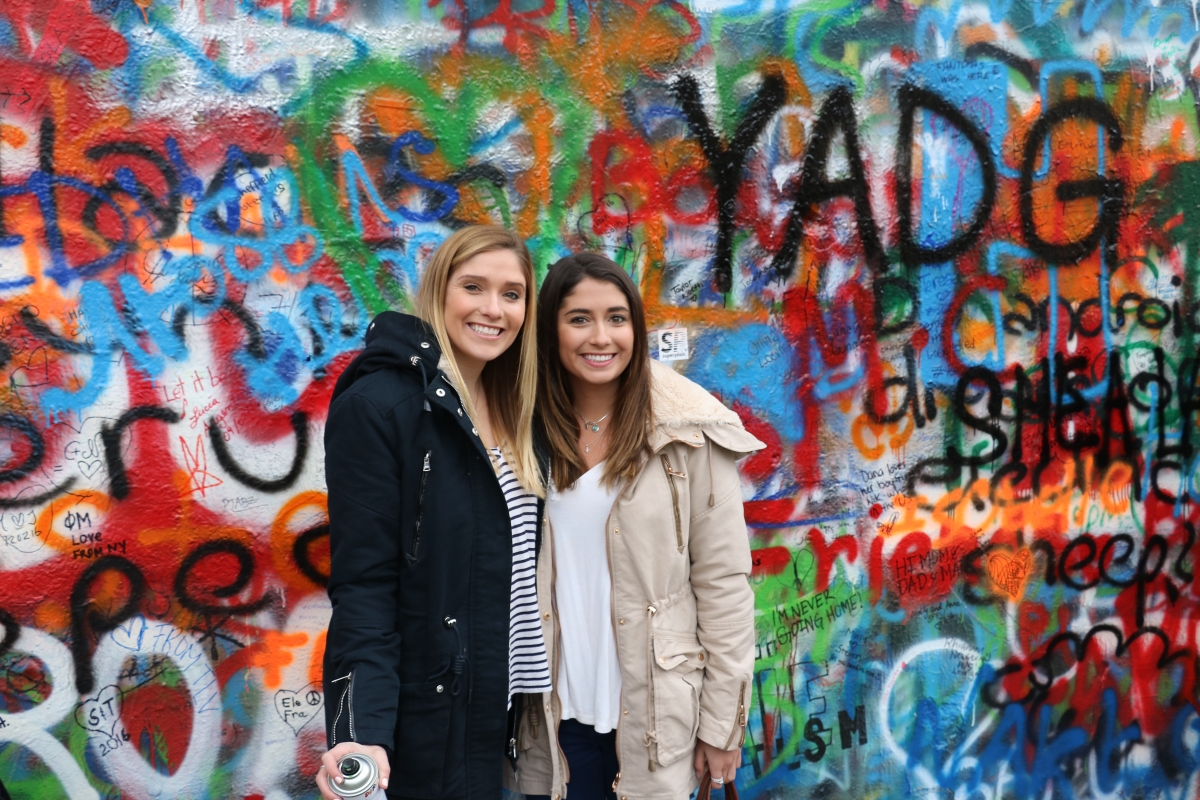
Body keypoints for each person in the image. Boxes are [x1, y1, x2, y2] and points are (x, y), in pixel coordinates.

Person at [510, 253, 763, 800]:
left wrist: (722, 727)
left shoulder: (689, 434)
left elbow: (723, 586)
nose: (600, 336)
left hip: (655, 720)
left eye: (617, 318)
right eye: (579, 318)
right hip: (555, 718)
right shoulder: (520, 429)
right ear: (550, 326)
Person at [317, 225, 552, 799]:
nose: (493, 309)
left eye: (512, 293)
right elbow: (365, 588)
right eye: (474, 287)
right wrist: (358, 733)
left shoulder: (529, 407)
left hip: (528, 717)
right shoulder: (381, 407)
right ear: (439, 292)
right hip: (441, 719)